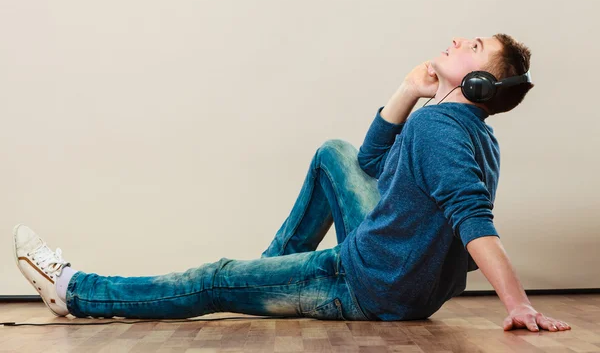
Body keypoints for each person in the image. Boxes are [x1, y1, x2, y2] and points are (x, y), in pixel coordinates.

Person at [13, 33, 571, 332]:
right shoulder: (461, 128)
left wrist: (518, 303)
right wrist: (406, 90)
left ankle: (75, 291)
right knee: (336, 154)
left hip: (366, 284)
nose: (456, 39)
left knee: (216, 278)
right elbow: (372, 164)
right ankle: (270, 272)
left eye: (472, 47)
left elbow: (473, 220)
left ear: (478, 82)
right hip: (395, 269)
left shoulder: (439, 129)